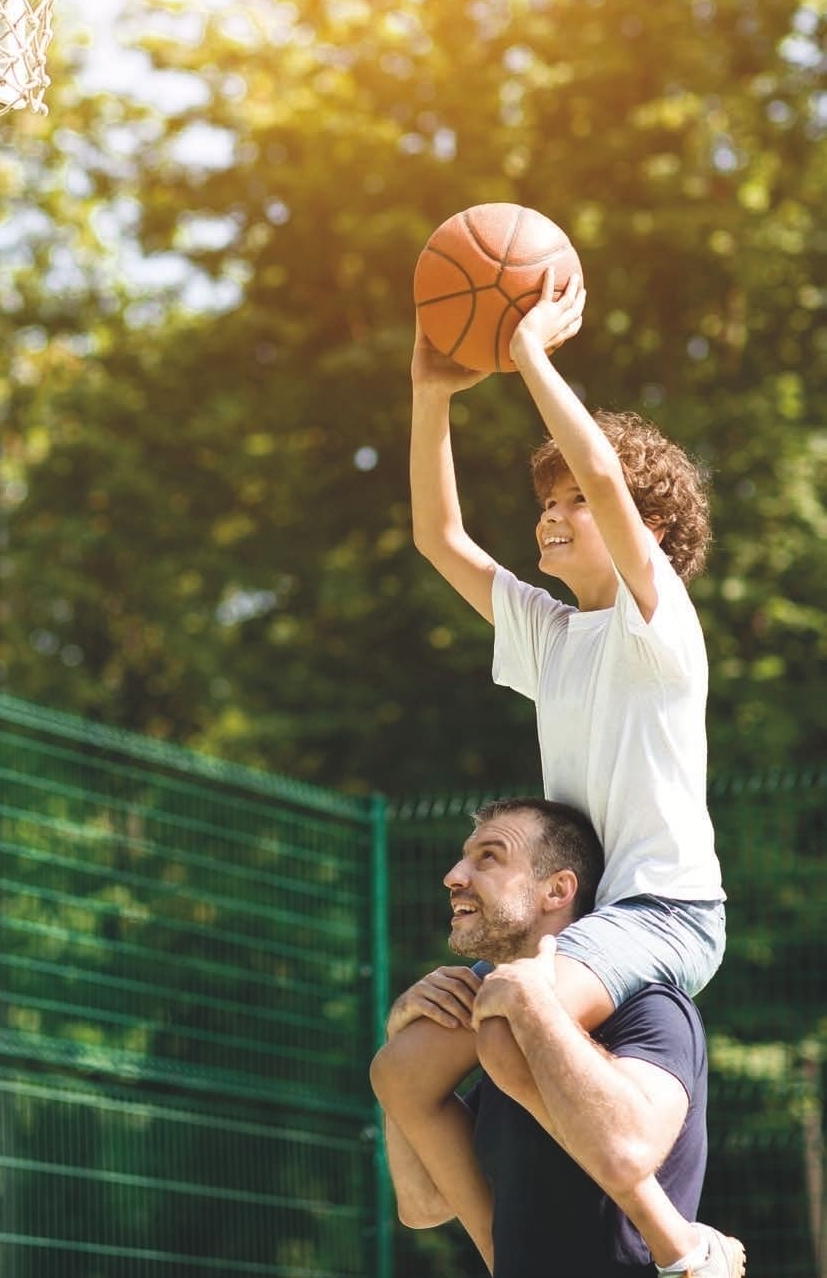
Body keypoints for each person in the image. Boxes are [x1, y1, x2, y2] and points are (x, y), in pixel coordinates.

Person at [408, 270, 739, 1274]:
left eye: (571, 505)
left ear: (646, 531)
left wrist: (529, 353)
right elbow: (441, 537)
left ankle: (685, 1246)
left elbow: (604, 472)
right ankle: (506, 1254)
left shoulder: (658, 625)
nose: (550, 516)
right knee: (408, 1062)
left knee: (516, 1008)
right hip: (586, 927)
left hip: (664, 912)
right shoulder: (555, 637)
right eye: (543, 503)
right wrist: (431, 391)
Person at [370, 799, 745, 1278]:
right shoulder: (488, 1056)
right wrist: (400, 1038)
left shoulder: (653, 1012)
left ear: (558, 890)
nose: (454, 875)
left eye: (489, 857)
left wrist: (534, 1008)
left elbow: (626, 1151)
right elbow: (422, 1205)